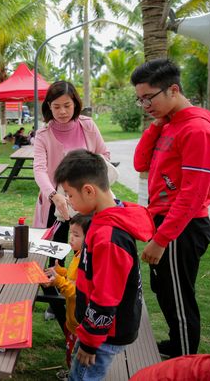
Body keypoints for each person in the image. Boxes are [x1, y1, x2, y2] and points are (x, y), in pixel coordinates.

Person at [131, 59, 210, 358]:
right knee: (166, 294)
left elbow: (193, 196)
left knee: (179, 297)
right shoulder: (171, 124)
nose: (145, 105)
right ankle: (176, 345)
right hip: (164, 221)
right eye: (140, 99)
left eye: (149, 97)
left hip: (182, 226)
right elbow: (140, 164)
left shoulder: (198, 130)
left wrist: (161, 239)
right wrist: (156, 126)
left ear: (173, 89)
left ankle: (184, 359)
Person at [54, 149, 155, 381]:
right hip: (97, 329)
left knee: (84, 377)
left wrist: (89, 343)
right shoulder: (105, 216)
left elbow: (106, 297)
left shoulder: (110, 238)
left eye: (69, 194)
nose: (68, 200)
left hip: (104, 334)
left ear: (89, 190)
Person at [32, 80, 110, 326]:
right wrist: (54, 195)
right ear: (48, 107)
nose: (63, 111)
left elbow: (103, 156)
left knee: (88, 247)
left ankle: (87, 295)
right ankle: (55, 299)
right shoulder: (43, 134)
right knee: (55, 250)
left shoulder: (87, 126)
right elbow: (40, 169)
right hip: (56, 201)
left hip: (87, 199)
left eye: (67, 105)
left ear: (75, 103)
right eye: (56, 107)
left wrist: (89, 186)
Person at [42, 214, 91, 370]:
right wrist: (61, 271)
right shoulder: (78, 255)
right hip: (72, 321)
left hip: (78, 324)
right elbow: (72, 276)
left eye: (76, 235)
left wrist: (58, 280)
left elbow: (76, 291)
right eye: (70, 233)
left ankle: (73, 375)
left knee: (77, 359)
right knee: (70, 351)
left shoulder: (85, 262)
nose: (71, 238)